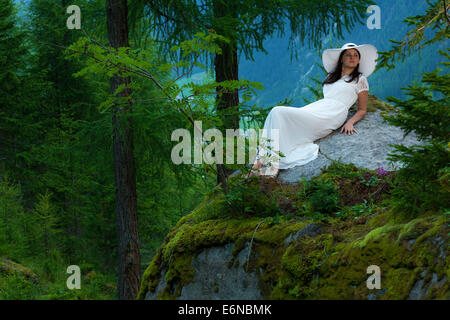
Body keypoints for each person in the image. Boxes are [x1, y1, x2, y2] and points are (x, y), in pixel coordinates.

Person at [250, 43, 378, 178]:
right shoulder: (331, 77)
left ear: (359, 60)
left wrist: (350, 122)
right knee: (275, 114)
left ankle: (271, 165)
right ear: (341, 59)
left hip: (334, 113)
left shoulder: (360, 79)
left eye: (355, 55)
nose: (352, 58)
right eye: (348, 55)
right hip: (320, 107)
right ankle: (261, 161)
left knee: (278, 111)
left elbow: (362, 109)